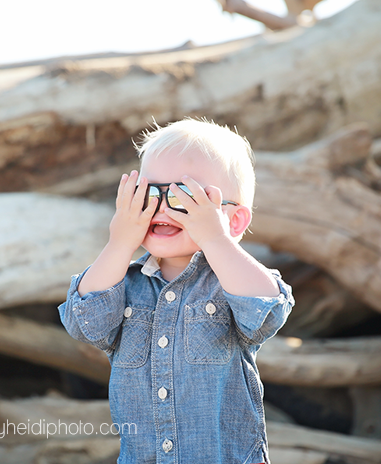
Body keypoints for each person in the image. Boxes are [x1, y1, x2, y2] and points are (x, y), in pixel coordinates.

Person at [59, 118, 293, 464]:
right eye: (151, 194)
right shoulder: (124, 285)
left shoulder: (230, 283)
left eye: (186, 196)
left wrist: (215, 238)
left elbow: (267, 312)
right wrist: (120, 241)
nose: (164, 207)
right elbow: (85, 324)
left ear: (234, 221)